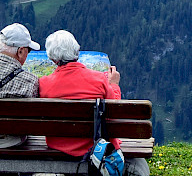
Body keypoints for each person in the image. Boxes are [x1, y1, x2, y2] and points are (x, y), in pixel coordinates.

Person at [38, 30, 150, 176]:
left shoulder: (44, 84)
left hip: (59, 146)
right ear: (77, 52)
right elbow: (113, 115)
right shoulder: (99, 80)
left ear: (52, 59)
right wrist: (114, 85)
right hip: (96, 147)